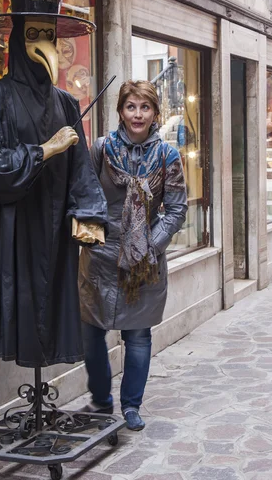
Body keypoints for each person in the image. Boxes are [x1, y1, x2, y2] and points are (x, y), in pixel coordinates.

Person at [0, 0, 107, 368]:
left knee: (53, 306)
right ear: (17, 39)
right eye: (33, 34)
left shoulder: (65, 103)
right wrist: (46, 149)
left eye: (49, 35)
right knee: (19, 304)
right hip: (12, 229)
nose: (43, 44)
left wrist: (88, 213)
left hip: (56, 228)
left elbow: (82, 170)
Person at [78, 80, 187, 430]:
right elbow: (85, 195)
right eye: (131, 107)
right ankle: (101, 399)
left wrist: (148, 248)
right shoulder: (101, 149)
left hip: (145, 260)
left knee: (138, 335)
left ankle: (131, 405)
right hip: (100, 255)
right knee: (91, 333)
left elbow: (176, 208)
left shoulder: (168, 155)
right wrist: (93, 239)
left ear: (155, 113)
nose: (137, 114)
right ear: (121, 112)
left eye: (145, 107)